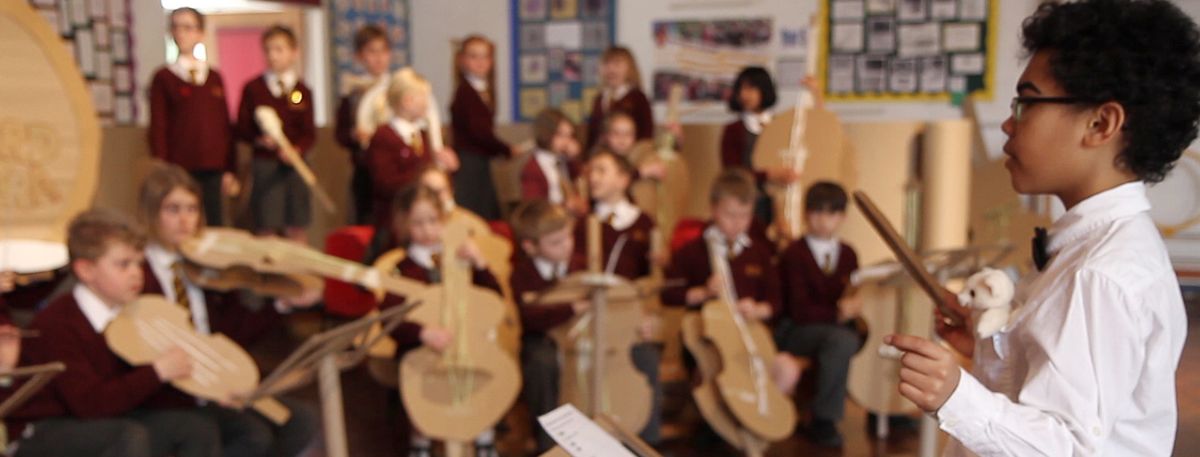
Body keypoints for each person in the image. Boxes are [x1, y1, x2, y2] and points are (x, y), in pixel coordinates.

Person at [885, 1, 1199, 455]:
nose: (1009, 122)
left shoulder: (1100, 274)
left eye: (1028, 102)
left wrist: (956, 394)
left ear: (1100, 123)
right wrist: (987, 350)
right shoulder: (1093, 249)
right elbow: (1058, 389)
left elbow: (1069, 445)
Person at [136, 163, 321, 457]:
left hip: (218, 379)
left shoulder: (206, 267)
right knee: (253, 436)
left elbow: (234, 333)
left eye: (192, 209)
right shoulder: (139, 273)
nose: (185, 220)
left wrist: (282, 303)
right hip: (174, 391)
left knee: (301, 420)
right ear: (151, 213)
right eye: (173, 209)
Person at [22, 208, 221, 457]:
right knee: (127, 436)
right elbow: (89, 404)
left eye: (139, 262)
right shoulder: (57, 323)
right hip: (50, 427)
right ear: (86, 270)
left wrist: (214, 388)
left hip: (110, 417)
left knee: (194, 428)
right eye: (123, 264)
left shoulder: (133, 312)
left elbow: (141, 392)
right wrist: (157, 371)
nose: (136, 273)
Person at [373, 185, 505, 457]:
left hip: (465, 343)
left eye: (433, 221)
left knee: (486, 371)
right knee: (421, 378)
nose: (428, 230)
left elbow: (494, 298)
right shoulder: (403, 268)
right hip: (422, 347)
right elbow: (391, 318)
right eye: (418, 223)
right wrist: (421, 332)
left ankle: (484, 438)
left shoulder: (459, 258)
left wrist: (480, 264)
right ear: (405, 224)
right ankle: (421, 442)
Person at [575, 150, 662, 444]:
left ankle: (646, 441)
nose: (593, 177)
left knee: (644, 358)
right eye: (591, 170)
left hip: (629, 316)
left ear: (624, 179)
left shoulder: (643, 223)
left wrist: (647, 314)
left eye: (602, 170)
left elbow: (653, 280)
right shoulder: (582, 222)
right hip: (590, 315)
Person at [776, 181, 864, 448]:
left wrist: (854, 306)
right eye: (817, 212)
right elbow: (799, 309)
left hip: (832, 329)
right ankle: (823, 419)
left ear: (843, 217)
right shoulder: (794, 253)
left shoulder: (848, 253)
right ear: (806, 214)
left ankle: (884, 411)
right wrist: (838, 313)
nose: (824, 221)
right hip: (796, 330)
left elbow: (851, 292)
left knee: (865, 334)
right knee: (842, 340)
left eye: (832, 214)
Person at [507, 200, 587, 453]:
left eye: (568, 237)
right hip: (542, 341)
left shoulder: (581, 265)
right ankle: (549, 444)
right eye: (555, 242)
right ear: (530, 247)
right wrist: (569, 308)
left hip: (583, 338)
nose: (566, 245)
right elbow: (530, 317)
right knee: (542, 364)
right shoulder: (522, 274)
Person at [148, 7, 238, 226]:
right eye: (176, 27)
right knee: (184, 222)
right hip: (180, 167)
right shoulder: (164, 78)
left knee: (215, 220)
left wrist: (230, 168)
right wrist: (164, 167)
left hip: (214, 166)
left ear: (200, 33)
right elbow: (158, 126)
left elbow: (225, 125)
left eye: (188, 27)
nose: (181, 33)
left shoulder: (214, 77)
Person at [235, 25, 316, 242]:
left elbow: (309, 132)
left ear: (293, 52)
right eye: (268, 50)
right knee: (267, 223)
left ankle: (299, 273)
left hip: (295, 164)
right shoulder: (254, 89)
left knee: (297, 224)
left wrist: (297, 150)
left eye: (279, 49)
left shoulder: (302, 91)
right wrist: (262, 141)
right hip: (266, 165)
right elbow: (242, 128)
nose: (273, 56)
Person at [367, 69, 460, 229]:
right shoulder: (384, 136)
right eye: (423, 98)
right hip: (397, 218)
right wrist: (423, 182)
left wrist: (448, 169)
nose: (427, 104)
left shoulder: (423, 135)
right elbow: (384, 181)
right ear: (407, 101)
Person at [450, 35, 519, 220]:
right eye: (473, 56)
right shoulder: (465, 92)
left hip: (480, 163)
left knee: (486, 211)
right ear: (462, 60)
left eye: (485, 56)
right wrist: (505, 149)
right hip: (469, 165)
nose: (480, 62)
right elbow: (479, 132)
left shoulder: (483, 90)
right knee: (474, 213)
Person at [336, 24, 393, 225]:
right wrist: (354, 135)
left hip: (397, 167)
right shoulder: (353, 91)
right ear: (360, 56)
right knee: (366, 222)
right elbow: (340, 133)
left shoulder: (399, 88)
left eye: (383, 51)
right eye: (371, 52)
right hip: (366, 168)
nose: (378, 58)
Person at [520, 108, 586, 215]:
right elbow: (533, 207)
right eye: (560, 135)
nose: (566, 141)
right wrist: (564, 205)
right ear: (546, 133)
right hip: (549, 221)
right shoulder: (533, 169)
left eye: (569, 136)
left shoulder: (564, 160)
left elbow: (578, 179)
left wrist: (575, 157)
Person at [585, 47, 653, 150]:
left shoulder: (638, 98)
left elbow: (646, 133)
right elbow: (592, 134)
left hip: (630, 156)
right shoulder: (599, 99)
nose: (611, 69)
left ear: (630, 68)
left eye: (617, 64)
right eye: (607, 64)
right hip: (602, 155)